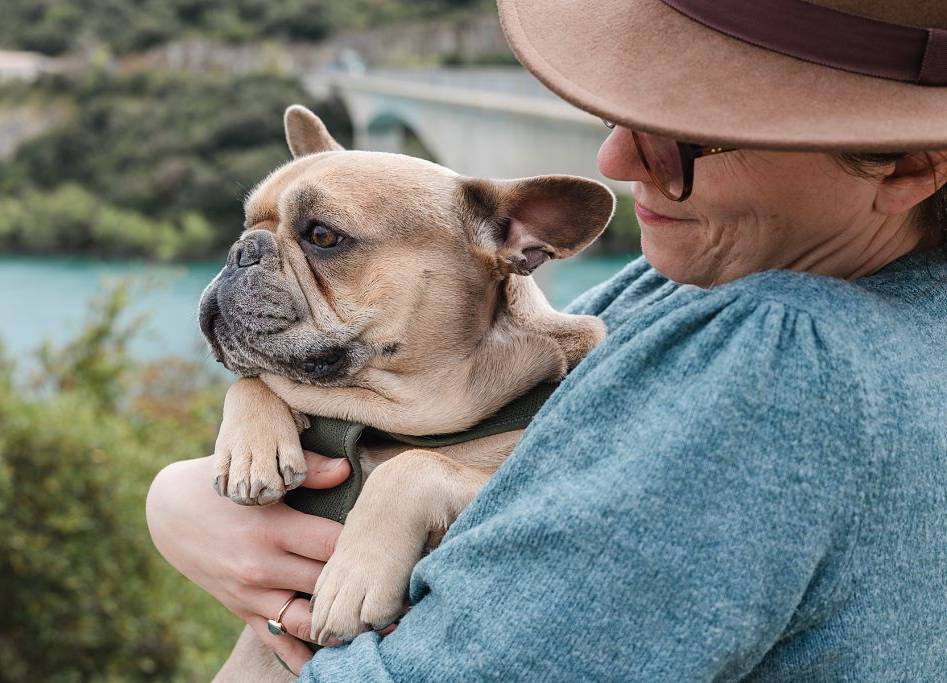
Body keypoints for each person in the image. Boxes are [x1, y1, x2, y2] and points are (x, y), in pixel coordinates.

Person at [146, 0, 947, 678]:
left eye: (691, 137)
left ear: (910, 165)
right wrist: (188, 492)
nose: (615, 155)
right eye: (621, 113)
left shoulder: (786, 357)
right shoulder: (683, 283)